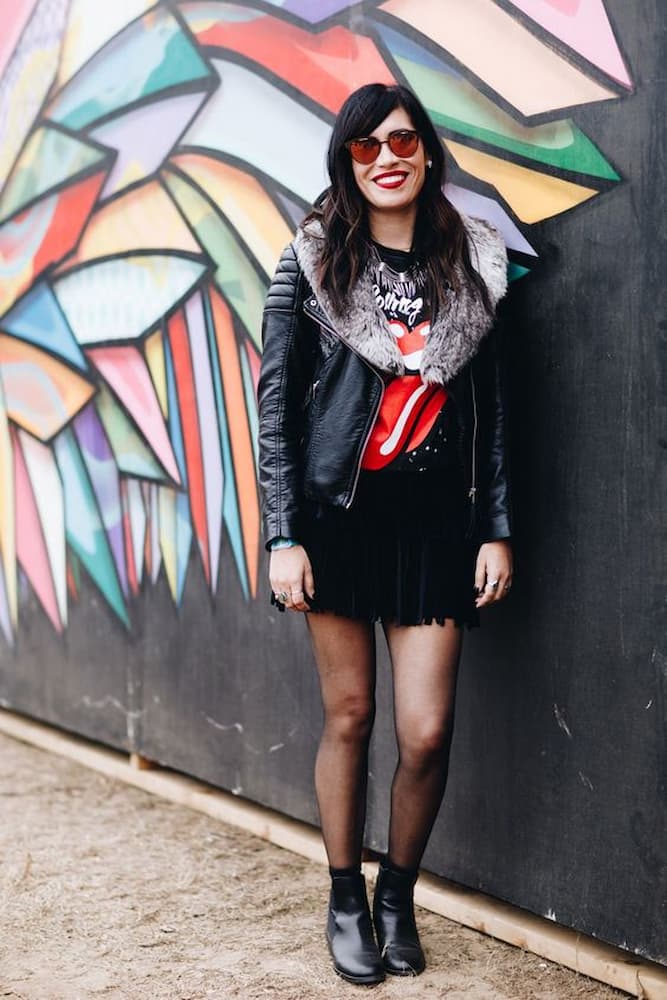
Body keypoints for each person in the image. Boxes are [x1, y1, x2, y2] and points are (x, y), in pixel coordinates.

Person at [257, 82, 513, 986]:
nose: (387, 157)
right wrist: (282, 534)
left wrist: (495, 526)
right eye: (365, 147)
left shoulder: (472, 265)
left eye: (402, 140)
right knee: (351, 715)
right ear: (347, 163)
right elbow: (277, 410)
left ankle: (396, 895)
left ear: (428, 151)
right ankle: (342, 897)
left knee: (427, 729)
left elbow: (492, 411)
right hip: (336, 524)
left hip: (437, 526)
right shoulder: (309, 262)